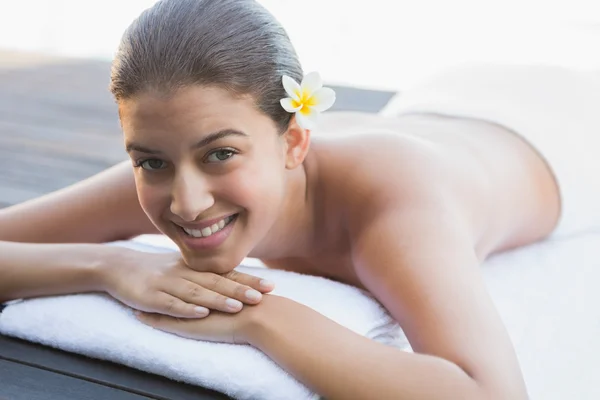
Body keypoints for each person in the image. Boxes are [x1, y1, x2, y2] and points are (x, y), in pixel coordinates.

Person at [1, 0, 599, 398]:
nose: (184, 203)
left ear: (293, 141)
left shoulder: (393, 211)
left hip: (570, 126)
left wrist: (261, 317)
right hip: (443, 100)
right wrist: (112, 265)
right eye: (149, 161)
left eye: (220, 154)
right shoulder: (179, 160)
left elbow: (491, 393)